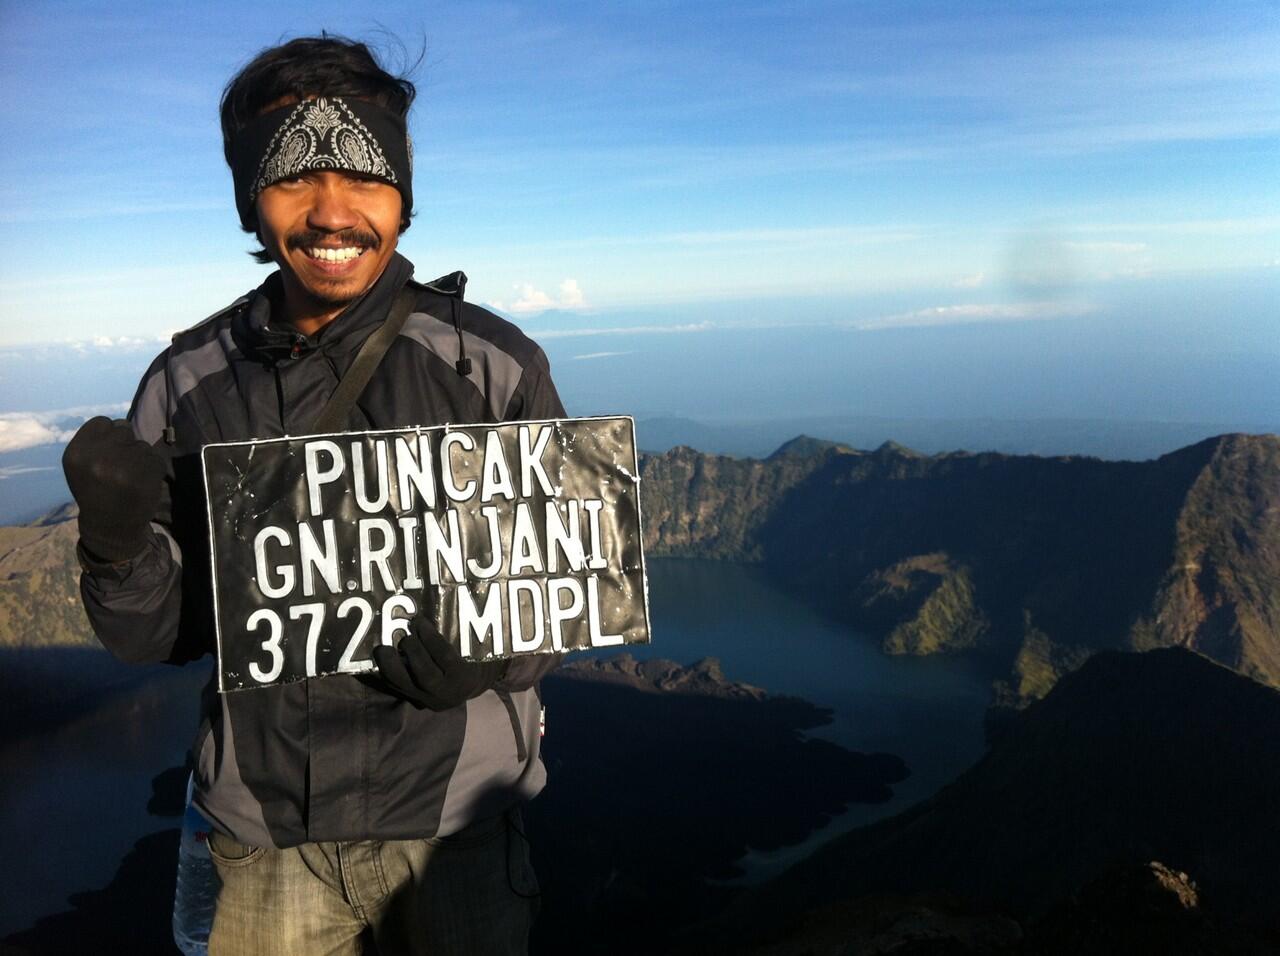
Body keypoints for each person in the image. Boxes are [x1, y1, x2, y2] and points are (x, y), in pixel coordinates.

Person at [61, 35, 563, 955]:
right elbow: (153, 631)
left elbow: (557, 588)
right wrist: (115, 539)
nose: (333, 213)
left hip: (455, 832)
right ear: (252, 199)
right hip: (265, 841)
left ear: (404, 199)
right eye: (294, 179)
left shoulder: (492, 368)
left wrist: (489, 652)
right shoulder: (185, 386)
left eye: (365, 179)